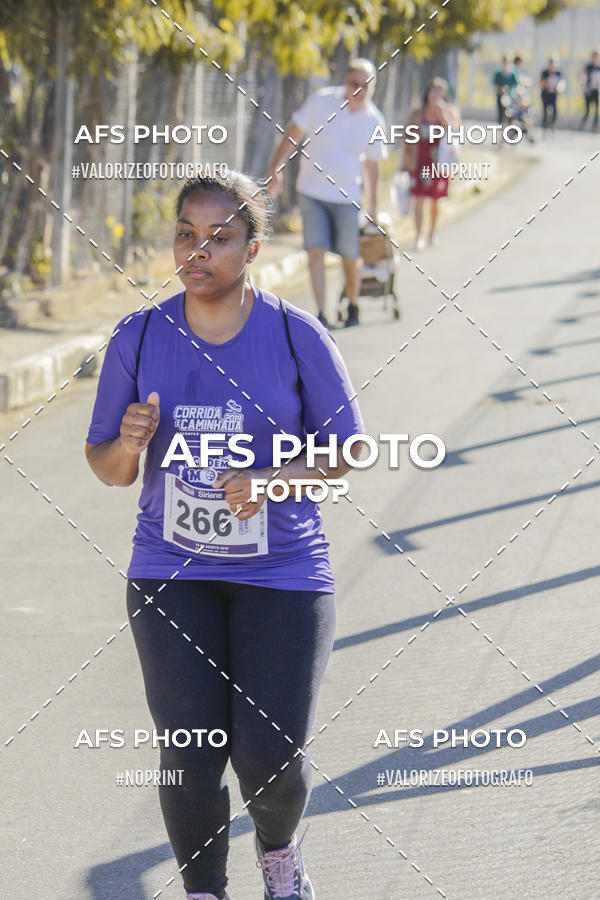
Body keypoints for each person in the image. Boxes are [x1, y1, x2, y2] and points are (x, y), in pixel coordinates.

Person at [85, 171, 365, 900]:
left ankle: (279, 855)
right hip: (171, 570)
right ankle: (204, 890)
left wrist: (272, 481)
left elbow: (348, 450)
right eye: (186, 234)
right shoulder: (139, 336)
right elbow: (111, 470)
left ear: (253, 248)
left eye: (220, 237)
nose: (198, 250)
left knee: (269, 758)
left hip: (284, 572)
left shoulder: (295, 333)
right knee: (188, 753)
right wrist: (128, 441)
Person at [267, 58, 387, 329]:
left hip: (348, 198)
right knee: (316, 251)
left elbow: (372, 165)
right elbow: (292, 134)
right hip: (312, 192)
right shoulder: (321, 102)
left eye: (366, 85)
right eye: (355, 84)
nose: (360, 91)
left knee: (349, 255)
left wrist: (373, 206)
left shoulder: (374, 121)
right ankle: (321, 313)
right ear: (345, 82)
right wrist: (275, 168)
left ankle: (353, 305)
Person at [401, 77, 458, 250]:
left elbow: (454, 134)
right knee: (418, 198)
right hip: (420, 160)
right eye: (434, 89)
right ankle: (418, 235)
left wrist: (443, 115)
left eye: (441, 90)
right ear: (428, 92)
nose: (437, 94)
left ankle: (432, 233)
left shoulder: (449, 111)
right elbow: (406, 138)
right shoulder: (417, 113)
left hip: (439, 162)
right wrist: (405, 161)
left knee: (435, 200)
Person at [540, 58, 565, 131]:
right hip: (545, 94)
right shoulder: (545, 73)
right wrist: (547, 81)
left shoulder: (558, 73)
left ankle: (552, 125)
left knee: (555, 111)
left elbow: (562, 83)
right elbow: (541, 84)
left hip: (553, 94)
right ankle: (544, 126)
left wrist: (559, 87)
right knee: (545, 111)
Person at [493, 55, 518, 125]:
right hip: (500, 97)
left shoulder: (512, 74)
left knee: (510, 116)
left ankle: (509, 133)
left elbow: (516, 85)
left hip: (511, 98)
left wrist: (511, 91)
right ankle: (501, 131)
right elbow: (496, 85)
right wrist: (501, 90)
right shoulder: (498, 74)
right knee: (501, 116)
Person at [579, 51, 600, 130]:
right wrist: (585, 84)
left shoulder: (598, 68)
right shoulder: (588, 67)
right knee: (587, 110)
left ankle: (595, 127)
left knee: (596, 110)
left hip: (596, 90)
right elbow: (582, 77)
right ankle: (582, 126)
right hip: (588, 91)